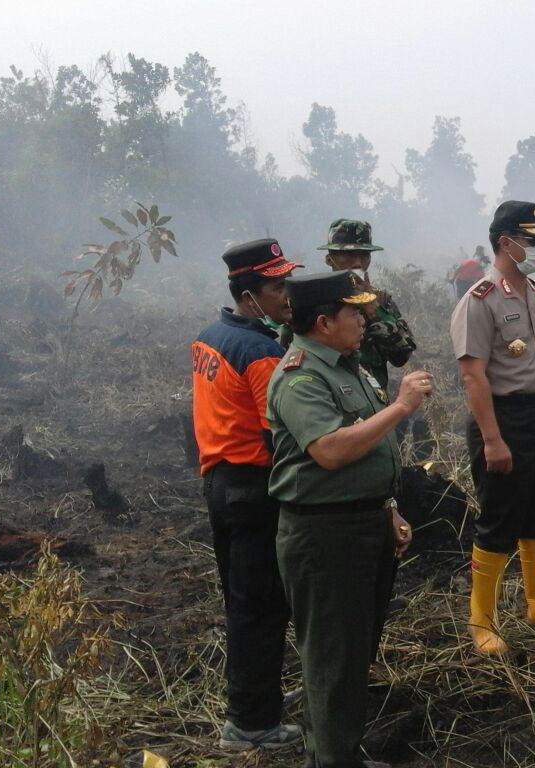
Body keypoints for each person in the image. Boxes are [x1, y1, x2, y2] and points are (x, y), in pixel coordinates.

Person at [267, 270, 433, 767]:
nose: (364, 320)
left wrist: (388, 508)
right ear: (323, 321)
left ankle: (341, 754)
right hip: (324, 536)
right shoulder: (301, 377)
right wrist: (402, 405)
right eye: (354, 313)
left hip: (363, 526)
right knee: (333, 660)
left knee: (353, 652)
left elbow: (368, 446)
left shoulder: (347, 365)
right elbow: (331, 451)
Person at [191, 239, 304, 751]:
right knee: (261, 607)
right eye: (277, 286)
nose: (286, 294)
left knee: (242, 603)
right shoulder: (260, 351)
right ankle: (252, 724)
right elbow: (276, 435)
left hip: (220, 485)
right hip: (254, 490)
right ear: (250, 293)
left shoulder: (212, 335)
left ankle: (248, 705)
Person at [450, 200, 535, 656]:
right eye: (532, 241)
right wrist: (492, 439)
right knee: (500, 518)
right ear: (506, 243)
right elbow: (472, 376)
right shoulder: (478, 301)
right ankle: (482, 620)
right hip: (504, 419)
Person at [314, 218, 417, 390]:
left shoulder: (381, 300)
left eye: (364, 255)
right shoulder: (313, 301)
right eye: (348, 255)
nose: (357, 263)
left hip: (374, 404)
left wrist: (373, 311)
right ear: (329, 259)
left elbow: (401, 357)